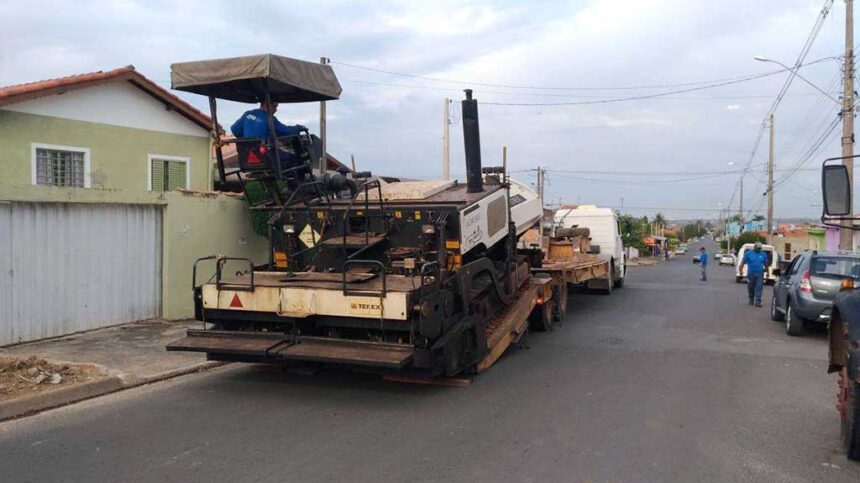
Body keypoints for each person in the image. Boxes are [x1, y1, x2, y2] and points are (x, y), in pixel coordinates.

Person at [231, 101, 306, 140]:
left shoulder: (247, 114)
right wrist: (298, 128)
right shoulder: (270, 119)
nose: (276, 110)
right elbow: (286, 131)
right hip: (266, 155)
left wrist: (248, 139)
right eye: (274, 106)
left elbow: (234, 129)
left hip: (246, 155)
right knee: (295, 159)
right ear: (267, 104)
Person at [739, 241, 768, 307]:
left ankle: (758, 301)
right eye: (757, 248)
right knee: (751, 287)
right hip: (751, 273)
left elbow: (766, 263)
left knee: (759, 287)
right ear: (754, 247)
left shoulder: (763, 254)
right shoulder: (748, 253)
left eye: (760, 248)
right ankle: (751, 298)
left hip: (760, 273)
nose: (759, 249)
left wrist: (767, 272)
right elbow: (742, 262)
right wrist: (740, 270)